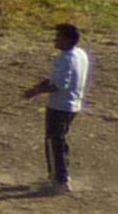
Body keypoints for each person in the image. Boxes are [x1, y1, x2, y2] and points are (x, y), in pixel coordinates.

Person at [25, 22, 93, 194]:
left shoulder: (65, 59)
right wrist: (40, 86)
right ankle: (59, 176)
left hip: (60, 106)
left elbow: (60, 85)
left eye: (59, 37)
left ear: (68, 39)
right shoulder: (80, 54)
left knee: (53, 141)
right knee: (59, 140)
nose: (55, 40)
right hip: (72, 104)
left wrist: (37, 91)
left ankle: (59, 181)